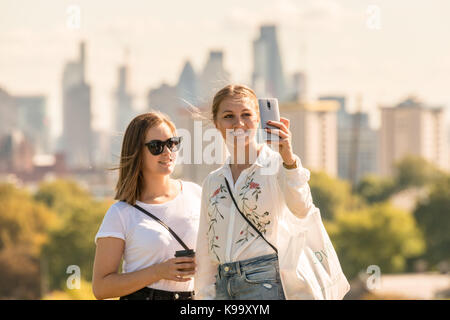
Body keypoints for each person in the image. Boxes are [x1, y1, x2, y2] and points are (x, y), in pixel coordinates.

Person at [194, 84, 318, 300]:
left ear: (259, 119)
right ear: (216, 123)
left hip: (264, 282)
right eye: (228, 116)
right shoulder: (213, 181)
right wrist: (204, 295)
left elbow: (302, 209)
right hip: (222, 285)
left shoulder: (278, 166)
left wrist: (288, 159)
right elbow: (205, 248)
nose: (239, 123)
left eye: (246, 115)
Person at [92, 111, 201, 300]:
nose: (167, 152)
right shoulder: (120, 213)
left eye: (172, 143)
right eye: (156, 146)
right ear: (137, 152)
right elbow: (101, 288)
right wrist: (158, 271)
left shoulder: (196, 194)